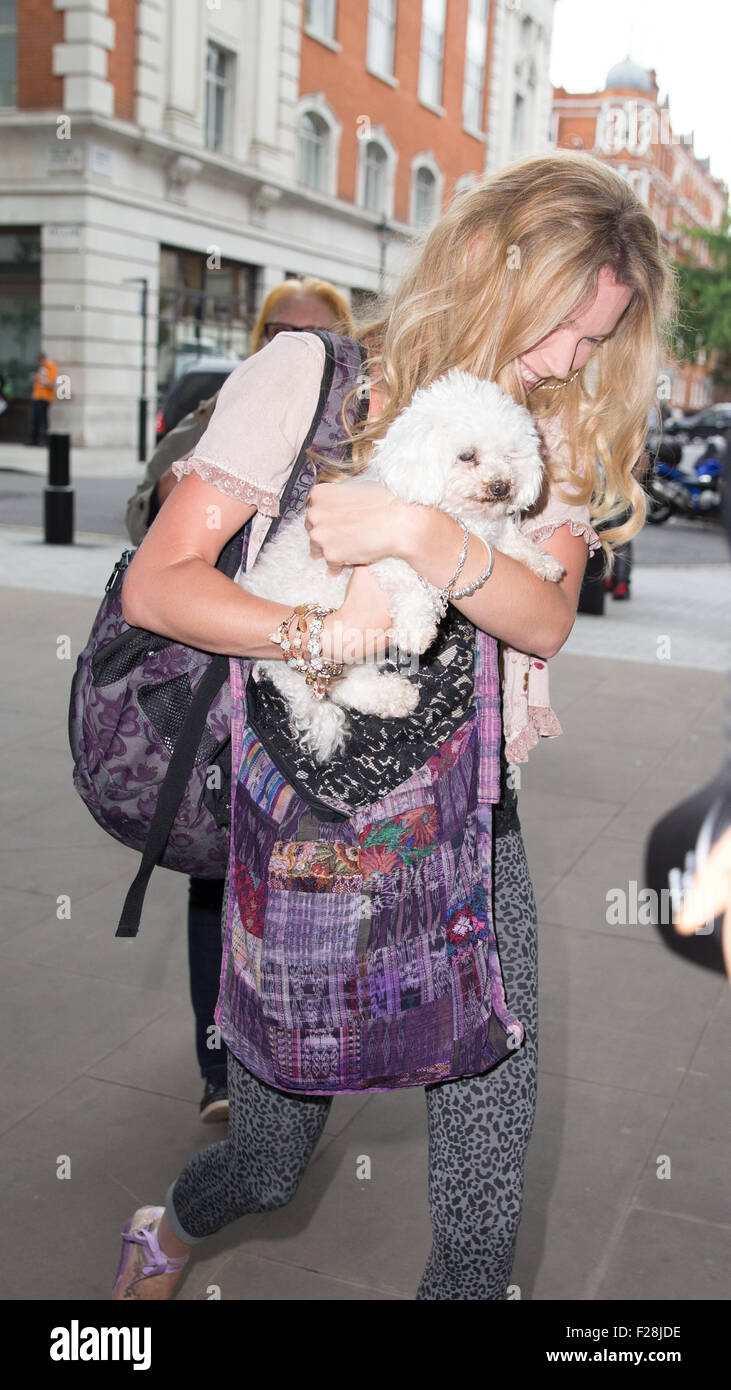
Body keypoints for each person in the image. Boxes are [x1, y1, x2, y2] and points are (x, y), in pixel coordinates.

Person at [110, 151, 676, 1300]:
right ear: (486, 263)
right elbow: (161, 585)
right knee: (269, 1163)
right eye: (566, 323)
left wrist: (427, 541)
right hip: (304, 837)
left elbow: (544, 614)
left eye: (596, 339)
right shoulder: (309, 379)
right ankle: (167, 1227)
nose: (573, 359)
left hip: (472, 844)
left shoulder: (545, 439)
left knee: (478, 1230)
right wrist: (325, 636)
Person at [124, 279, 354, 1123]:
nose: (297, 343)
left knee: (305, 879)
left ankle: (299, 1059)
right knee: (213, 876)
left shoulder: (354, 418)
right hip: (216, 688)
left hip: (304, 699)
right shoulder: (229, 404)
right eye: (283, 330)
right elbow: (149, 524)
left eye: (317, 333)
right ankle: (220, 1070)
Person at [29, 351, 57, 445]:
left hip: (45, 398)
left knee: (43, 420)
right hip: (37, 397)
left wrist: (39, 379)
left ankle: (45, 440)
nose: (39, 364)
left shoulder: (51, 367)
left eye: (40, 361)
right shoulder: (42, 368)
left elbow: (52, 383)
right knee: (35, 420)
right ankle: (34, 440)